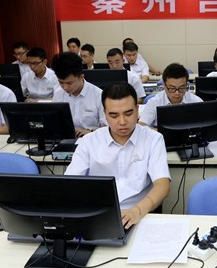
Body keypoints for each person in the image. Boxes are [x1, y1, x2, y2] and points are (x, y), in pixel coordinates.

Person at [64, 82, 171, 228]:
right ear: (104, 113)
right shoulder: (89, 142)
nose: (122, 122)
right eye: (114, 115)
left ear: (137, 109)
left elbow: (162, 185)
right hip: (99, 215)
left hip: (140, 213)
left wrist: (137, 211)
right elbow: (70, 183)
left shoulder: (153, 139)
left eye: (128, 113)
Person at [52, 52, 106, 136]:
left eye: (69, 83)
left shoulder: (99, 95)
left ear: (81, 77)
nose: (65, 87)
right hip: (66, 138)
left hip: (92, 138)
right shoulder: (58, 93)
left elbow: (107, 127)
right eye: (61, 82)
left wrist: (90, 133)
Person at [139, 63, 202, 127]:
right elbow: (141, 126)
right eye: (172, 88)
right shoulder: (154, 102)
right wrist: (160, 131)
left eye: (181, 88)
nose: (177, 93)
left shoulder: (196, 102)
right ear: (164, 85)